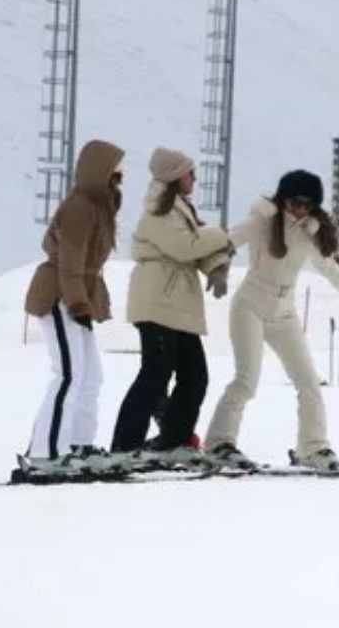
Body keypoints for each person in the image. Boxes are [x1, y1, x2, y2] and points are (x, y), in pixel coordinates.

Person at [203, 170, 339, 471]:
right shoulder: (263, 220)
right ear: (282, 199)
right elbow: (228, 241)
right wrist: (217, 267)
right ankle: (219, 444)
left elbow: (327, 268)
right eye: (294, 202)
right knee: (246, 379)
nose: (299, 209)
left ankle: (313, 447)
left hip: (285, 313)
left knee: (308, 382)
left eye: (307, 204)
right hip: (250, 305)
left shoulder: (312, 232)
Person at [110, 148, 233, 467]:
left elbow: (191, 246)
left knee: (195, 376)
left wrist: (216, 265)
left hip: (175, 304)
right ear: (176, 176)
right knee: (155, 374)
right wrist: (222, 235)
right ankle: (125, 445)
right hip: (157, 300)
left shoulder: (178, 208)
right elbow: (184, 246)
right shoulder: (158, 210)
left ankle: (174, 438)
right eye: (190, 172)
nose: (195, 178)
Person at [21, 139, 125, 474]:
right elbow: (69, 260)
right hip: (59, 295)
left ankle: (78, 445)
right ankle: (45, 453)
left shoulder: (98, 208)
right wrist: (78, 300)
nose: (118, 182)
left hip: (76, 297)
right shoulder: (80, 206)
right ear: (98, 172)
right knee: (69, 373)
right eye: (114, 175)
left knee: (91, 375)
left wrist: (87, 300)